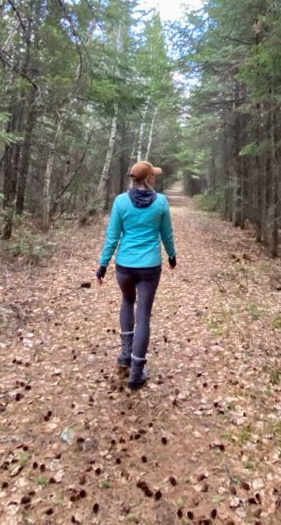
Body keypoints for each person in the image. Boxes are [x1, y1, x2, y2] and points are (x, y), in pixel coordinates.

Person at [97, 160, 178, 391]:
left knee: (126, 301)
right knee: (143, 314)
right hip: (149, 267)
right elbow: (167, 234)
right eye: (153, 175)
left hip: (125, 266)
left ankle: (125, 355)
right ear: (148, 178)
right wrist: (172, 256)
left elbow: (112, 235)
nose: (155, 178)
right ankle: (135, 373)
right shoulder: (161, 202)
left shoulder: (121, 202)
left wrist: (103, 265)